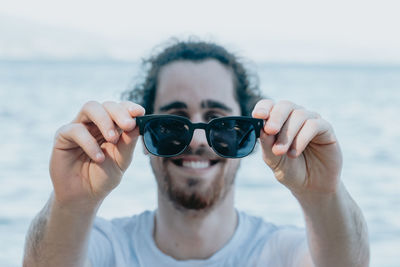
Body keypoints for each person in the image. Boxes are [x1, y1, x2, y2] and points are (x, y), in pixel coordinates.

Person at [23, 40, 370, 267]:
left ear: (250, 133)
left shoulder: (281, 252)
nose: (196, 140)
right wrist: (72, 204)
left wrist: (323, 196)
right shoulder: (104, 248)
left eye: (218, 121)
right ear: (142, 134)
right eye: (174, 122)